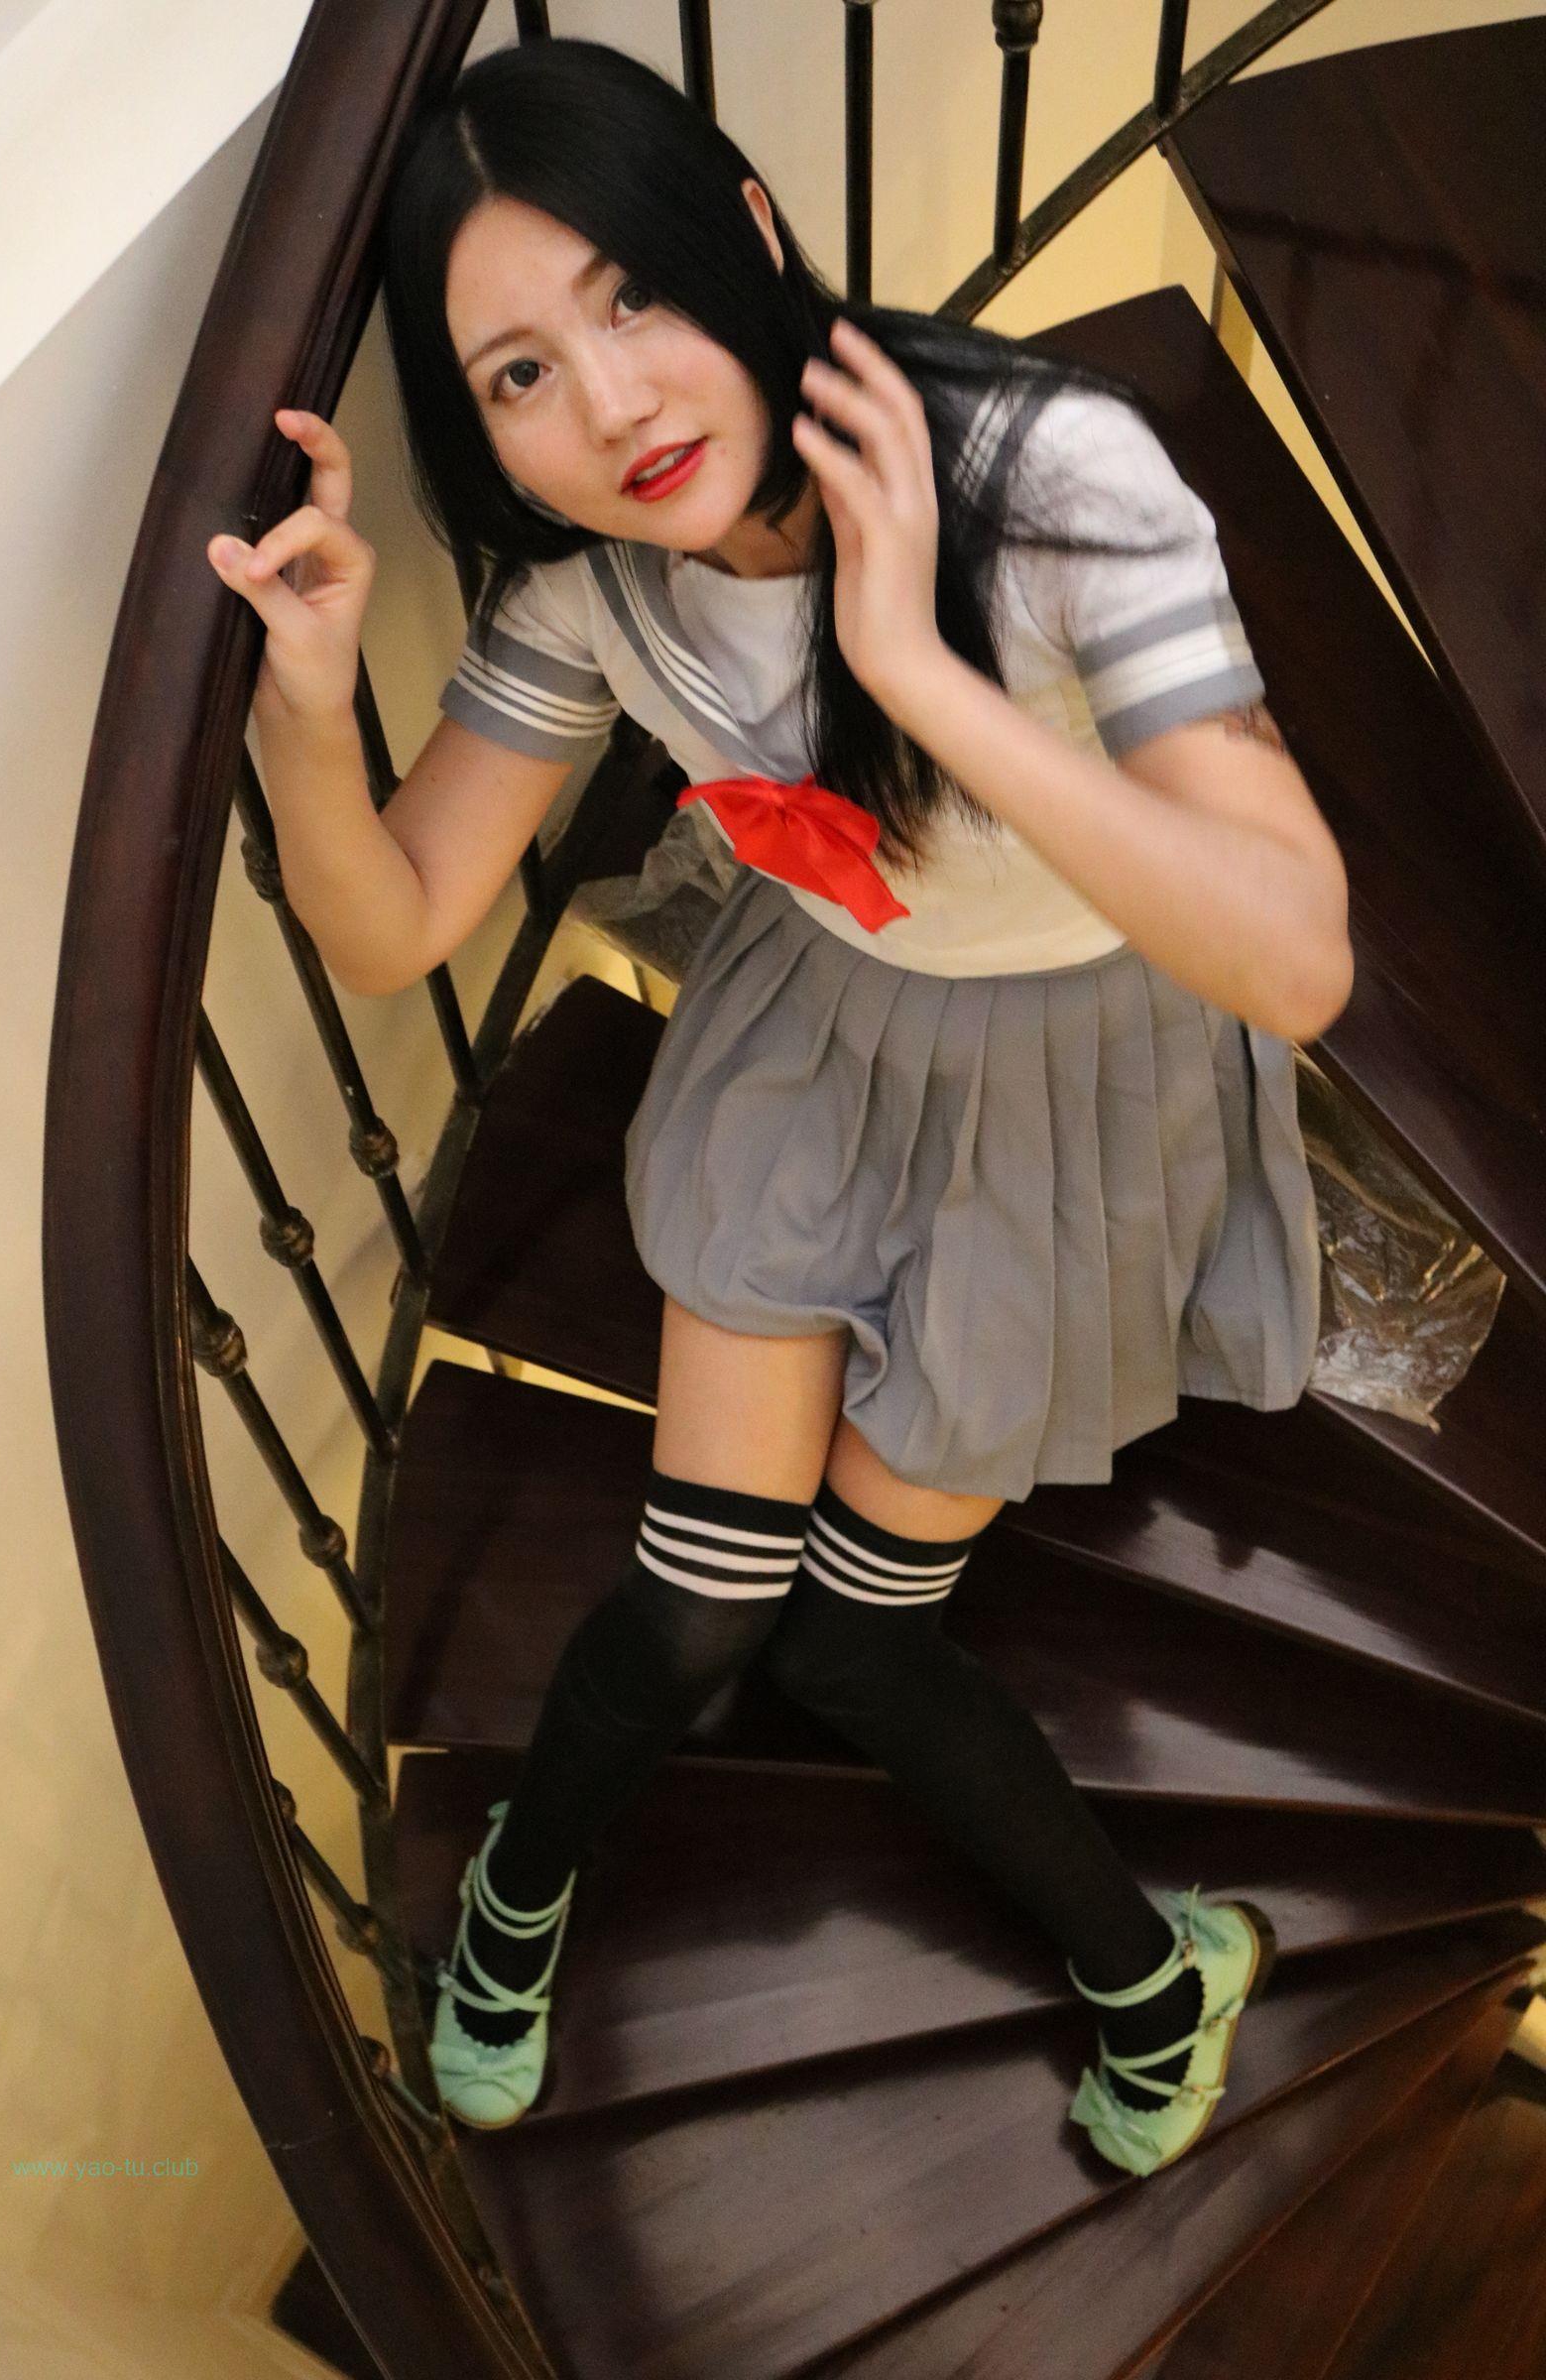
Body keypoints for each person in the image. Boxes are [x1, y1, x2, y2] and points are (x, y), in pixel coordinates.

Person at [206, 36, 1351, 2179]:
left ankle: (1154, 1974)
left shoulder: (1048, 472)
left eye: (630, 294)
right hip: (820, 1047)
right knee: (700, 1600)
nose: (611, 403)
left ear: (741, 229)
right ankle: (513, 1906)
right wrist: (306, 702)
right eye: (519, 372)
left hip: (1075, 1085)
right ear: (476, 427)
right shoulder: (593, 583)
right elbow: (391, 925)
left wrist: (909, 670)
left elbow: (1293, 956)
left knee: (856, 1638)